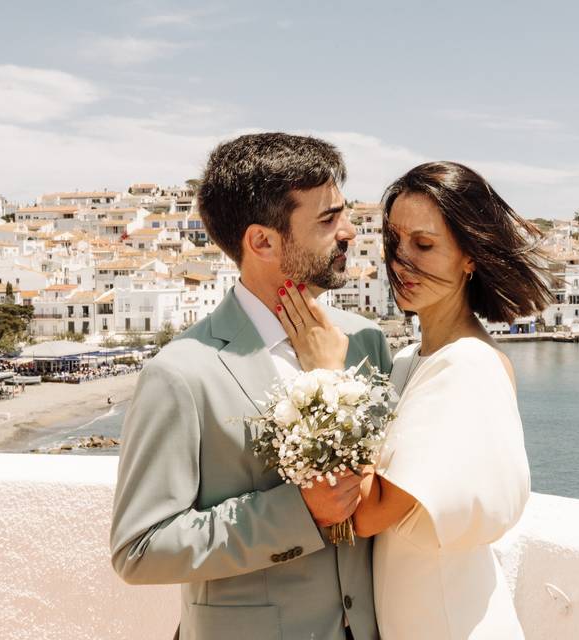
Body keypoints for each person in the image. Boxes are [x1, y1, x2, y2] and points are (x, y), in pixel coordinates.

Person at [109, 133, 391, 640]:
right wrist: (297, 512)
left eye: (344, 214)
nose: (349, 232)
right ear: (262, 241)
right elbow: (140, 549)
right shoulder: (182, 373)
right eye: (328, 220)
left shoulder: (367, 342)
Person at [275, 161, 554, 639]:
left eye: (424, 245)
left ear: (471, 256)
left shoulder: (466, 366)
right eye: (394, 243)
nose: (402, 262)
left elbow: (366, 513)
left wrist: (328, 376)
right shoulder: (409, 361)